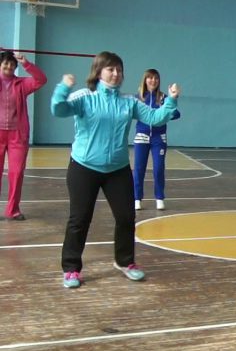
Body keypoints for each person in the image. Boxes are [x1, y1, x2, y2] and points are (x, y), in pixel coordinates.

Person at [50, 51, 181, 288]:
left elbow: (155, 118)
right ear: (98, 71)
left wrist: (171, 100)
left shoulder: (129, 102)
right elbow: (58, 110)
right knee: (79, 219)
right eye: (110, 69)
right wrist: (63, 88)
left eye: (119, 70)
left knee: (126, 217)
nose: (116, 73)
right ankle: (71, 268)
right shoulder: (84, 97)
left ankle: (125, 261)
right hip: (84, 167)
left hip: (117, 169)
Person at [0, 50, 47, 221]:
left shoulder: (21, 84)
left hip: (17, 136)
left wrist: (25, 63)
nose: (9, 66)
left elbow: (41, 79)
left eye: (12, 64)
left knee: (17, 173)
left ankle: (12, 210)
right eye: (5, 63)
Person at [132, 69, 181, 211]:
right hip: (141, 136)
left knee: (159, 168)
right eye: (150, 78)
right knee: (138, 169)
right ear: (145, 80)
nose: (153, 80)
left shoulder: (164, 98)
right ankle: (137, 198)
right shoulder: (138, 98)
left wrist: (168, 109)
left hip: (159, 138)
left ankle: (159, 198)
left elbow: (176, 114)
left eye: (156, 78)